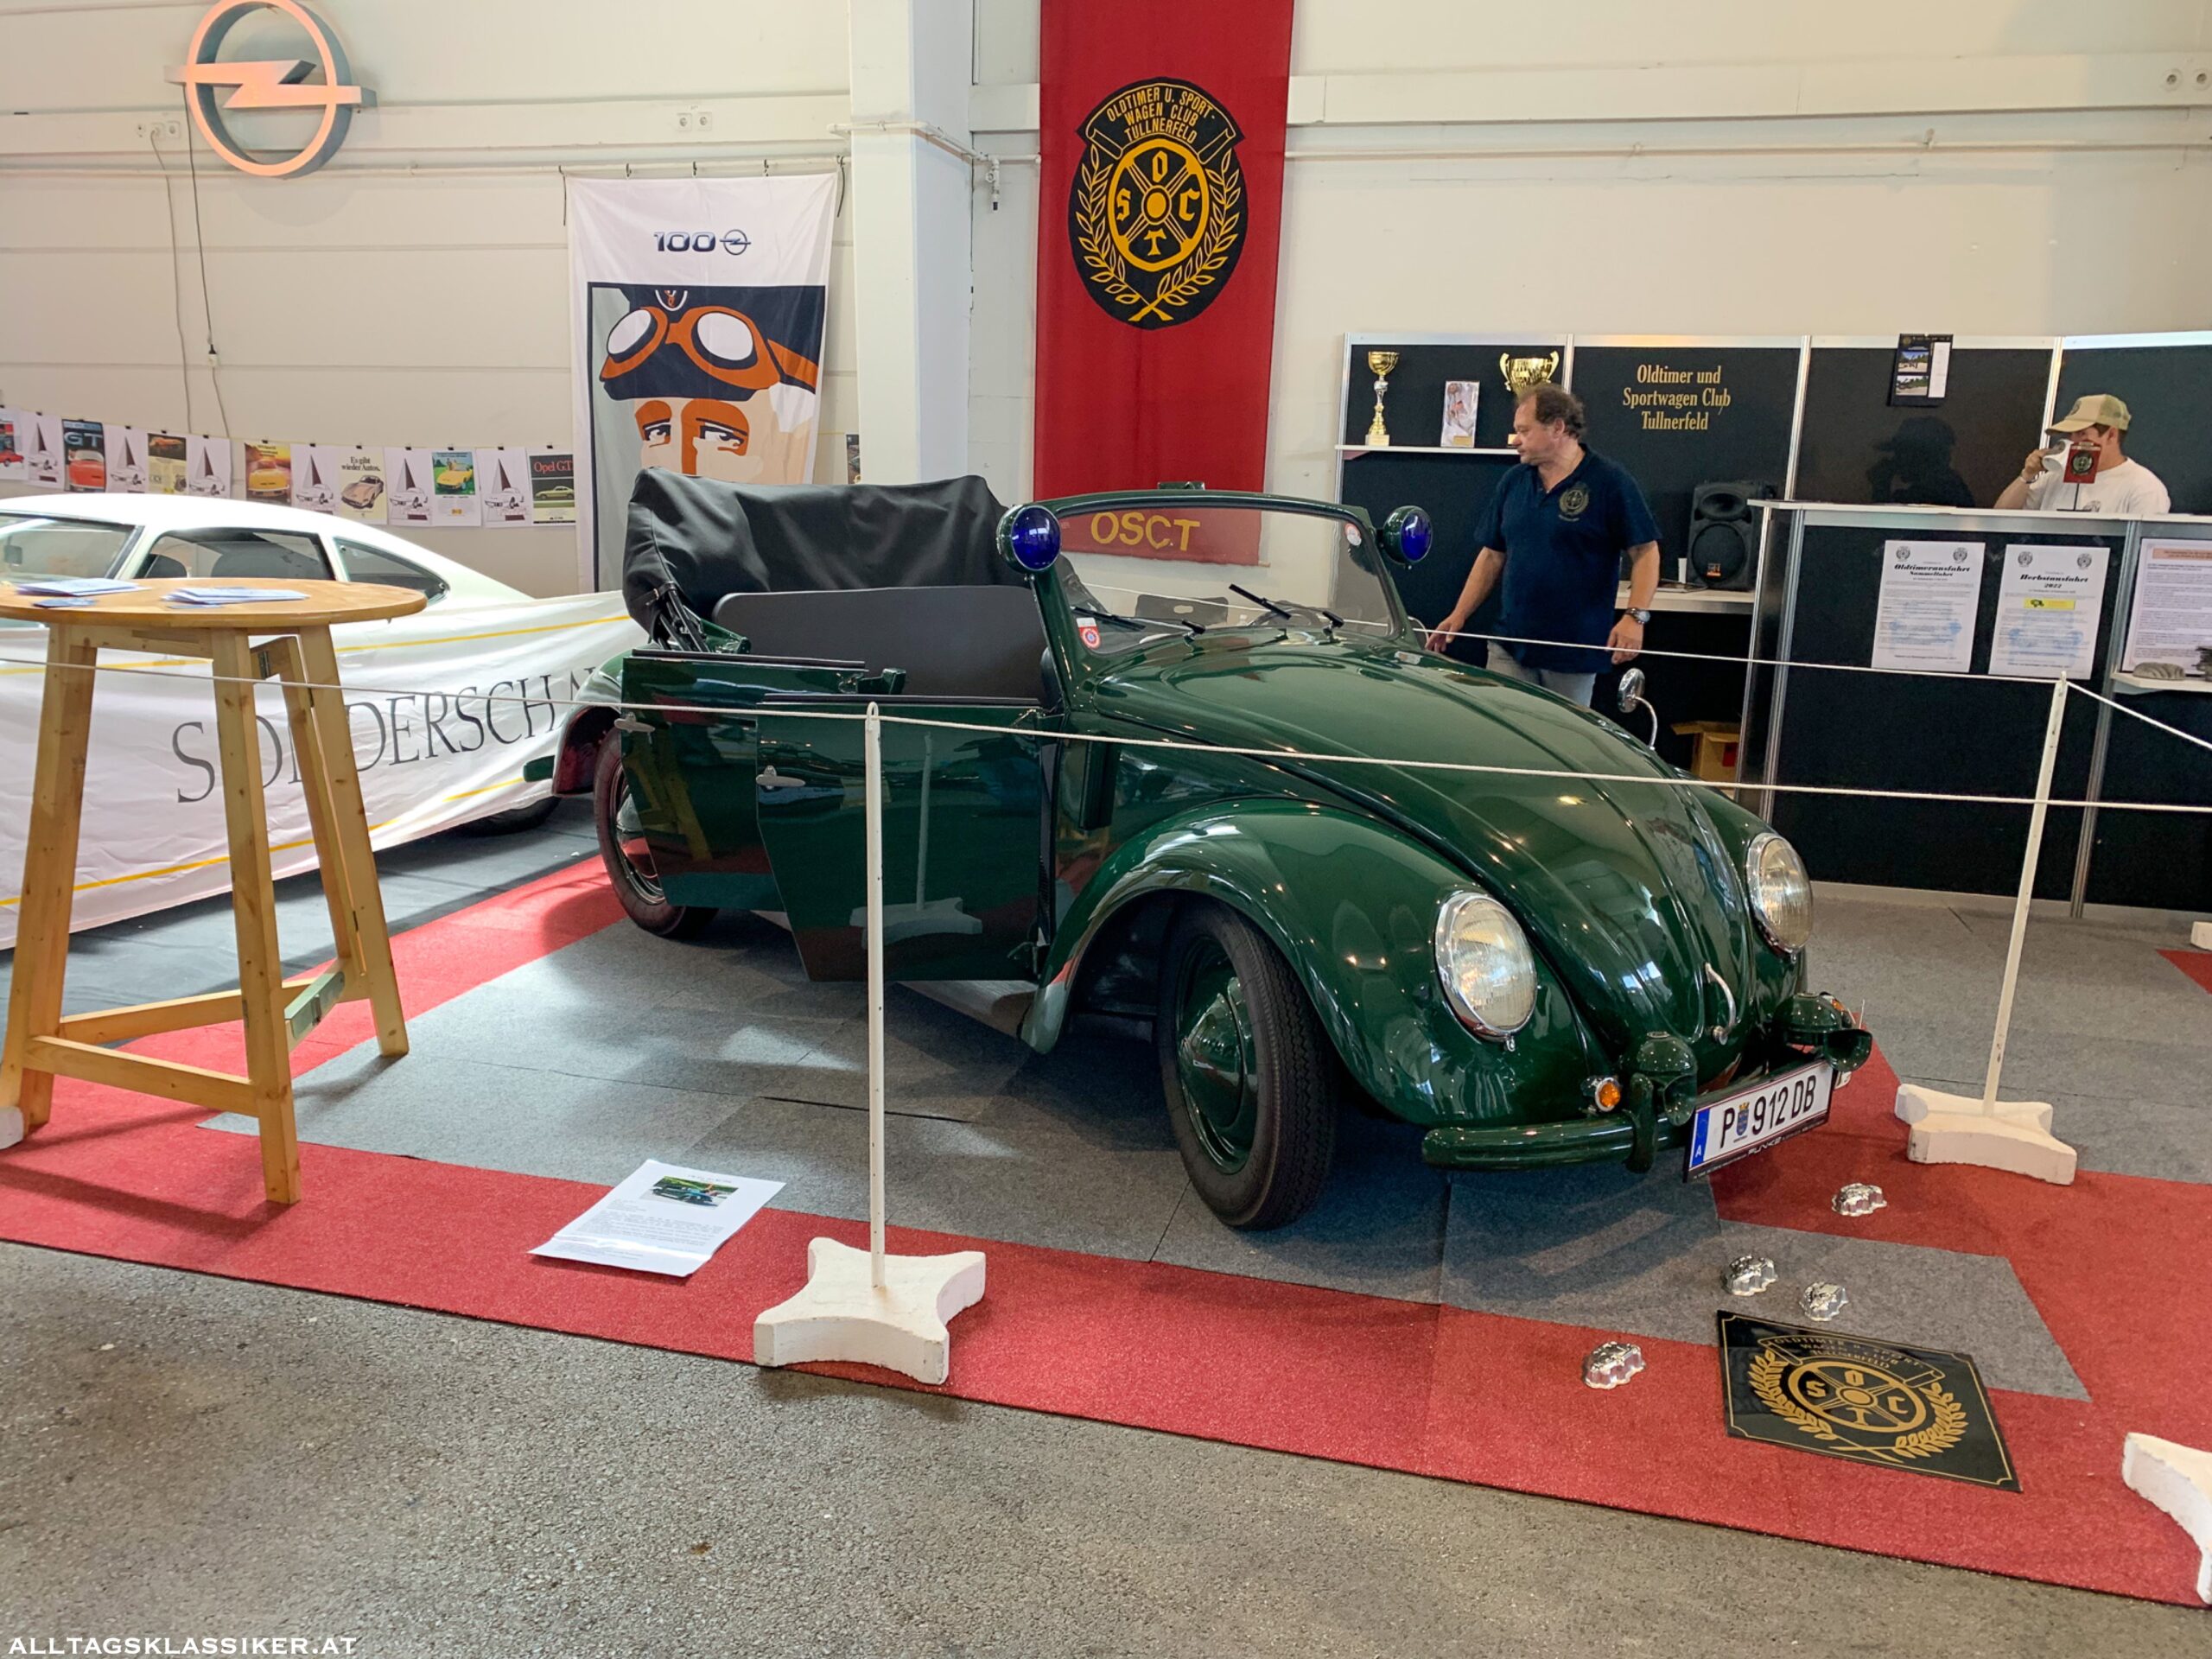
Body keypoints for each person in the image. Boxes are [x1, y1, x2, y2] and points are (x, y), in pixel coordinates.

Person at [1425, 384, 1661, 706]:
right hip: (1510, 644)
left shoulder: (1610, 481)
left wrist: (1635, 616)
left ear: (1557, 428)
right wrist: (1459, 614)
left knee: (1561, 736)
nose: (1515, 440)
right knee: (1501, 733)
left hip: (1573, 653)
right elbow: (1492, 555)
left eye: (1524, 431)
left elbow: (1646, 552)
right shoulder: (1514, 481)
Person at [1994, 393, 2169, 515]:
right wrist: (2027, 475)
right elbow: (2000, 519)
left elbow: (2145, 545)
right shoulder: (2055, 477)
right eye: (2071, 434)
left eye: (2082, 433)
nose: (2074, 441)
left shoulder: (2144, 487)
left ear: (2111, 435)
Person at [1866, 415, 1975, 508]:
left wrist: (1881, 486)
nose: (1895, 459)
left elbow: (1887, 522)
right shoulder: (1952, 484)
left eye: (1900, 453)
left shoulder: (1940, 490)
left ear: (1921, 456)